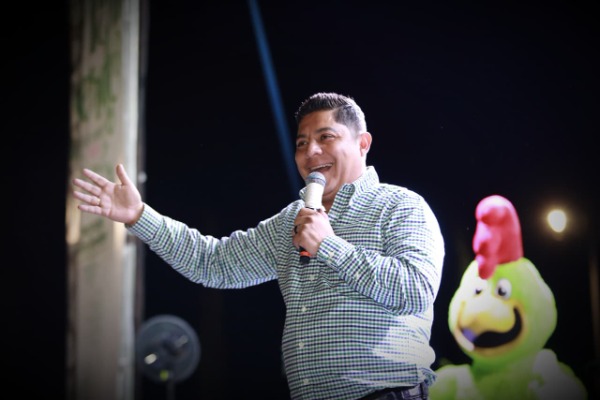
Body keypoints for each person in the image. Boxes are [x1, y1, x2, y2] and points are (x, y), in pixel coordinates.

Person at [72, 92, 445, 400]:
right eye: (302, 143)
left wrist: (328, 246)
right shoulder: (292, 220)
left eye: (326, 137)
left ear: (362, 143)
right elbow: (213, 262)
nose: (311, 152)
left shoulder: (400, 206)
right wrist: (140, 216)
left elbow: (415, 290)